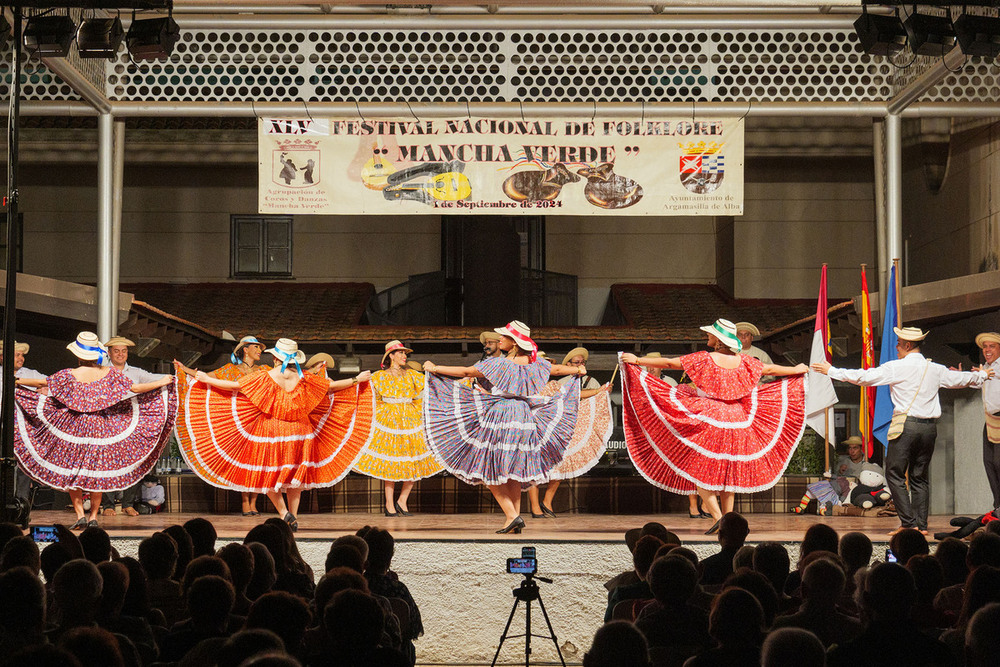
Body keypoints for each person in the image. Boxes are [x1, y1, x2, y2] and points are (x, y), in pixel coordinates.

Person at [621, 318, 809, 533]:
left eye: (710, 334)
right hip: (738, 420)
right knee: (728, 474)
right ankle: (728, 520)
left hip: (710, 417)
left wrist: (637, 360)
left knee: (700, 472)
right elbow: (769, 369)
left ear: (719, 340)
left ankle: (718, 517)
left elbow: (670, 364)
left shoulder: (705, 359)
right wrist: (796, 369)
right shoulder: (744, 361)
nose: (707, 337)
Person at [813, 325, 992, 535]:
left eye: (899, 344)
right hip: (929, 429)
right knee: (919, 477)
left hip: (906, 426)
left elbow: (863, 377)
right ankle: (921, 526)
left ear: (907, 345)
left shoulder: (897, 367)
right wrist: (982, 376)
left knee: (894, 474)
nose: (896, 347)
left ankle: (908, 524)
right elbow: (961, 380)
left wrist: (831, 371)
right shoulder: (933, 368)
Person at [185, 337, 373, 531]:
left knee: (268, 475)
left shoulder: (267, 376)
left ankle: (284, 513)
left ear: (276, 358)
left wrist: (207, 380)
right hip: (301, 431)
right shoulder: (303, 377)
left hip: (274, 430)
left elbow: (236, 387)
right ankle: (294, 516)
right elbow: (330, 387)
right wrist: (356, 379)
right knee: (295, 477)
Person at [423, 320, 585, 533]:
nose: (499, 339)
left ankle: (511, 514)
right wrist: (577, 370)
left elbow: (465, 372)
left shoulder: (498, 364)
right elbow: (555, 369)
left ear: (514, 342)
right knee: (513, 469)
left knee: (488, 466)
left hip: (502, 414)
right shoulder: (534, 363)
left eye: (504, 337)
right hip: (524, 417)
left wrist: (434, 367)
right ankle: (514, 520)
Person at [13, 332, 176, 529]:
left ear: (79, 355)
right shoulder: (109, 374)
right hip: (99, 428)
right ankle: (93, 517)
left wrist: (17, 382)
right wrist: (163, 382)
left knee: (75, 473)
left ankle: (80, 514)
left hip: (74, 427)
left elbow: (42, 383)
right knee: (95, 473)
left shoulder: (69, 374)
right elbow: (136, 388)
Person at [177, 335, 272, 516]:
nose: (260, 351)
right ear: (245, 349)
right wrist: (184, 369)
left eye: (260, 348)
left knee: (260, 460)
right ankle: (245, 501)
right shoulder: (230, 370)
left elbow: (285, 377)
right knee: (245, 461)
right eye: (256, 347)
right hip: (239, 420)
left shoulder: (265, 371)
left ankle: (254, 501)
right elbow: (206, 377)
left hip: (260, 418)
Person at [354, 340, 443, 517]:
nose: (404, 356)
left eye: (405, 353)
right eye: (400, 353)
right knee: (391, 462)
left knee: (414, 460)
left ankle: (402, 500)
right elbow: (372, 398)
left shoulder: (411, 374)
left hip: (410, 420)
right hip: (389, 422)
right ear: (391, 356)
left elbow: (427, 390)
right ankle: (389, 503)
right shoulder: (379, 376)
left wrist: (463, 380)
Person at [528, 346, 611, 518]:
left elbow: (572, 397)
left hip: (556, 431)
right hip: (534, 430)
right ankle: (535, 507)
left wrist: (600, 392)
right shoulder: (530, 384)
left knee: (561, 463)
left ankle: (547, 501)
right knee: (534, 467)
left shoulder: (553, 385)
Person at [101, 336, 169, 517]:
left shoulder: (136, 372)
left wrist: (175, 376)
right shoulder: (103, 372)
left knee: (132, 462)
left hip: (131, 423)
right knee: (108, 464)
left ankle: (128, 503)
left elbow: (154, 378)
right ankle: (107, 505)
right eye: (116, 351)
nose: (120, 354)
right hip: (108, 423)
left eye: (123, 351)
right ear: (109, 353)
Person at [1, 340, 48, 520]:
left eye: (22, 355)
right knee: (5, 467)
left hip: (24, 430)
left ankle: (20, 507)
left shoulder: (29, 374)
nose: (21, 358)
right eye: (17, 355)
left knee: (22, 468)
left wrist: (44, 388)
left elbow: (49, 382)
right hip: (3, 427)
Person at [976, 332, 1000, 507]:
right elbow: (979, 381)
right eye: (985, 347)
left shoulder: (993, 368)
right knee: (989, 462)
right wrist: (961, 375)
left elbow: (992, 375)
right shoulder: (985, 367)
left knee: (999, 462)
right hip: (990, 420)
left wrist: (984, 373)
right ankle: (998, 505)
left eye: (992, 346)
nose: (987, 350)